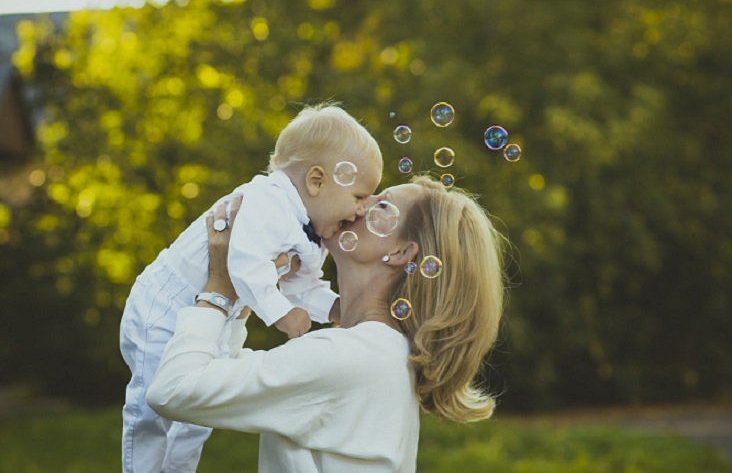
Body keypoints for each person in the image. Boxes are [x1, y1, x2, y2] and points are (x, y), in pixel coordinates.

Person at [146, 175, 507, 472]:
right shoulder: (376, 352)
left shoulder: (351, 357)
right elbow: (219, 374)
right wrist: (245, 293)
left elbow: (175, 390)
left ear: (400, 253)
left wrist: (220, 288)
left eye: (381, 205)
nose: (361, 205)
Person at [120, 103, 383, 472]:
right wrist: (281, 314)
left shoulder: (314, 235)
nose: (360, 210)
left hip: (217, 316)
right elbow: (243, 261)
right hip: (165, 303)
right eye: (358, 196)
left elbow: (303, 287)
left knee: (197, 411)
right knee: (151, 405)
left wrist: (337, 308)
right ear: (317, 180)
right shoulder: (268, 201)